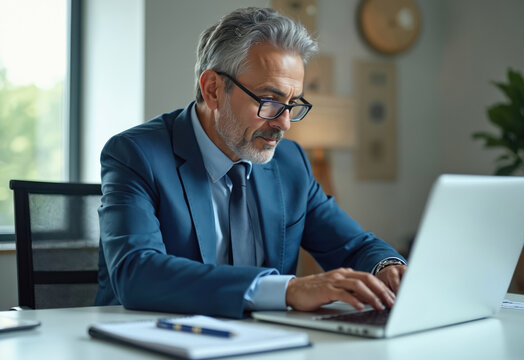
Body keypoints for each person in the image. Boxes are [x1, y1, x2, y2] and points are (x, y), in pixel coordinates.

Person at [95, 7, 406, 319]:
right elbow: (136, 272)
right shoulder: (135, 154)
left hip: (265, 341)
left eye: (292, 103)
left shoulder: (290, 162)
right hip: (149, 337)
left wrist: (388, 267)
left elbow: (354, 246)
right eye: (269, 101)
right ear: (213, 89)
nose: (284, 123)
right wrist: (287, 290)